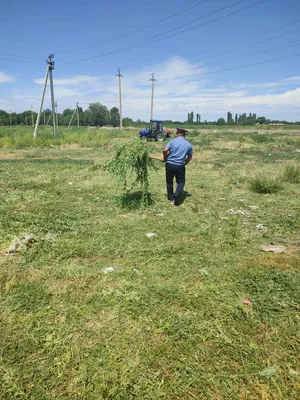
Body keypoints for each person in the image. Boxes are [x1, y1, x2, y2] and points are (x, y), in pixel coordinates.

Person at [163, 128, 193, 206]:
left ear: (177, 134)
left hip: (169, 164)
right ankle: (176, 195)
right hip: (180, 165)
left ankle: (170, 197)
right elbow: (190, 156)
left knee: (169, 181)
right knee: (181, 182)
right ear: (184, 135)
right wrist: (185, 163)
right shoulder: (188, 144)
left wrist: (165, 158)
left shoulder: (172, 141)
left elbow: (165, 150)